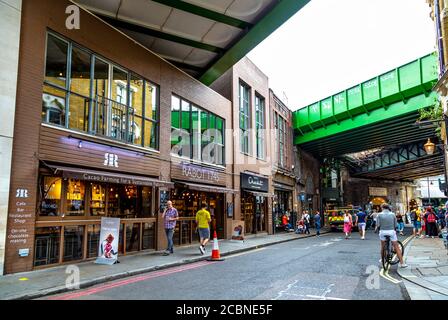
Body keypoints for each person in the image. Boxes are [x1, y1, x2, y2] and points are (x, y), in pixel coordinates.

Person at [376, 203, 407, 268]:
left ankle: (382, 259)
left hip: (382, 232)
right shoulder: (393, 214)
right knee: (396, 247)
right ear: (388, 208)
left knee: (382, 246)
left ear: (382, 208)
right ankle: (402, 263)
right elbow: (395, 225)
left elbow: (378, 225)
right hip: (391, 231)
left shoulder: (379, 215)